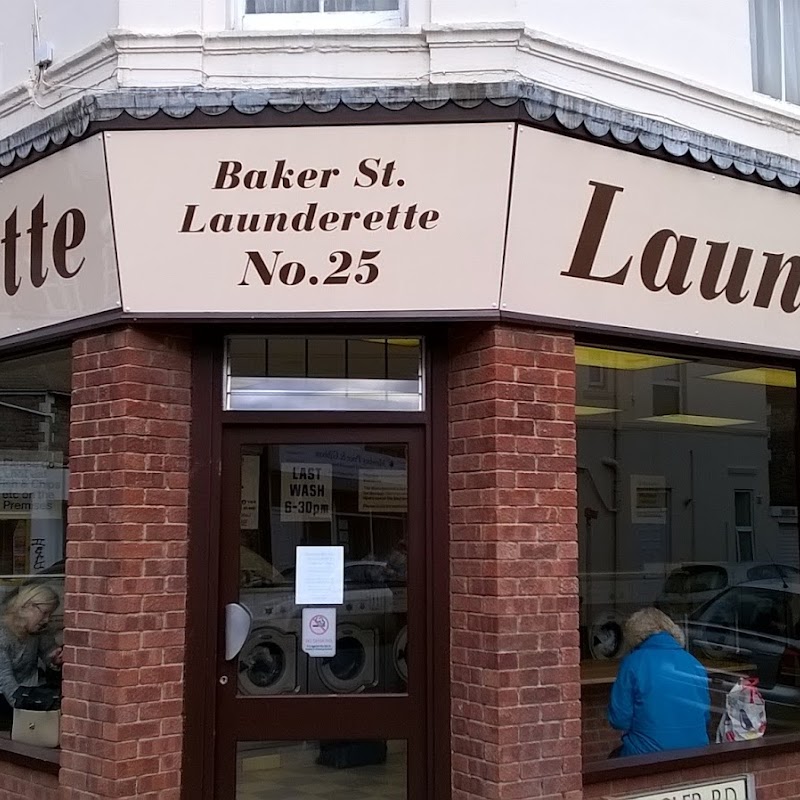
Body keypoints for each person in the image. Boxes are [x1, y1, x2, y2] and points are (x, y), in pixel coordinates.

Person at [608, 607, 710, 757]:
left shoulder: (632, 663)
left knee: (613, 760)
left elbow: (618, 720)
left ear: (634, 636)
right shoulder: (694, 664)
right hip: (696, 752)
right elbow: (705, 717)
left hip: (647, 755)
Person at [0, 584, 62, 717]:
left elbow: (48, 650)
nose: (47, 620)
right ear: (28, 606)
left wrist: (54, 660)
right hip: (7, 696)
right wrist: (27, 708)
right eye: (45, 613)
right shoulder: (2, 634)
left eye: (50, 614)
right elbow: (5, 680)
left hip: (29, 690)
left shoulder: (38, 631)